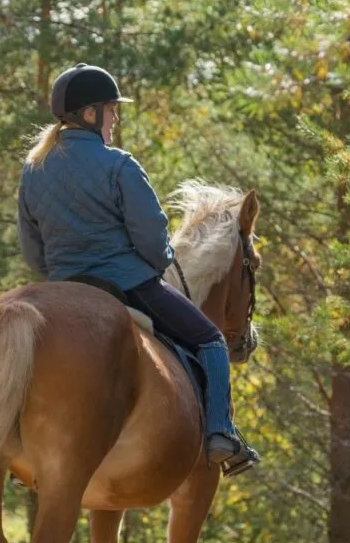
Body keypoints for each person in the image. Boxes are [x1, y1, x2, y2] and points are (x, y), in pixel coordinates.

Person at [17, 62, 259, 475]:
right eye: (111, 110)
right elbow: (150, 234)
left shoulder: (33, 170)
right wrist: (160, 262)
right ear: (90, 114)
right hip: (127, 284)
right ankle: (221, 434)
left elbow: (32, 250)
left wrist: (60, 278)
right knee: (212, 340)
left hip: (64, 289)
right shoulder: (119, 165)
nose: (114, 118)